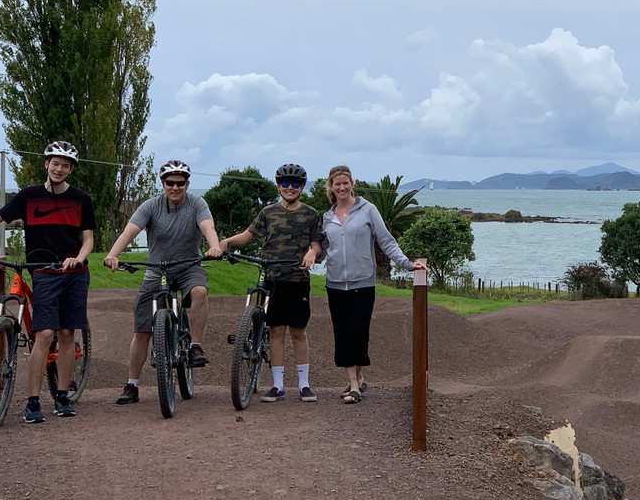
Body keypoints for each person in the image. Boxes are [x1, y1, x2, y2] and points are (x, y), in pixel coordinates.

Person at [0, 141, 95, 423]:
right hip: (43, 272)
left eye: (65, 165)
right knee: (44, 334)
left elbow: (88, 239)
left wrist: (78, 258)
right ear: (46, 164)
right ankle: (33, 401)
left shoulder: (81, 199)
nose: (59, 169)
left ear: (71, 170)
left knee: (67, 333)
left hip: (74, 274)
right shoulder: (29, 196)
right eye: (55, 163)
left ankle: (62, 396)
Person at [103, 160, 222, 405]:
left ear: (187, 184)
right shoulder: (151, 206)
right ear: (163, 183)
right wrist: (113, 255)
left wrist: (215, 246)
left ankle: (195, 346)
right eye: (170, 183)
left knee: (200, 292)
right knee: (141, 331)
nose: (175, 187)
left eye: (180, 183)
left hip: (189, 266)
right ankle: (132, 385)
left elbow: (207, 226)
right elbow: (130, 231)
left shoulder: (197, 204)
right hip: (157, 270)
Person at [219, 163, 325, 403]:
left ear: (302, 187)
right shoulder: (268, 212)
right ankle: (277, 386)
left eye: (295, 184)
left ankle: (304, 385)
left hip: (298, 279)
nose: (290, 187)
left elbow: (317, 244)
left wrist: (312, 253)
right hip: (272, 278)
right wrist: (226, 242)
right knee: (276, 331)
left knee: (298, 331)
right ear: (278, 186)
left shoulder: (310, 214)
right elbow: (248, 236)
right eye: (285, 183)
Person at [321, 164, 426, 404]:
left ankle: (356, 382)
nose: (342, 187)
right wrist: (305, 257)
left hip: (363, 282)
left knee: (358, 332)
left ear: (352, 184)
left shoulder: (368, 210)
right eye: (337, 184)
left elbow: (386, 241)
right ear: (331, 187)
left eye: (345, 183)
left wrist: (407, 264)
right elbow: (322, 249)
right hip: (335, 284)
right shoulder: (327, 217)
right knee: (343, 334)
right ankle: (354, 384)